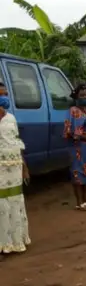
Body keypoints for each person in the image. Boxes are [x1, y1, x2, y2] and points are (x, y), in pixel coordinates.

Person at [0, 82, 31, 256]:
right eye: (0, 95)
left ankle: (16, 241)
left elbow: (18, 144)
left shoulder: (11, 118)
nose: (4, 98)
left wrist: (24, 167)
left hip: (14, 169)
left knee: (14, 203)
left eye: (5, 94)